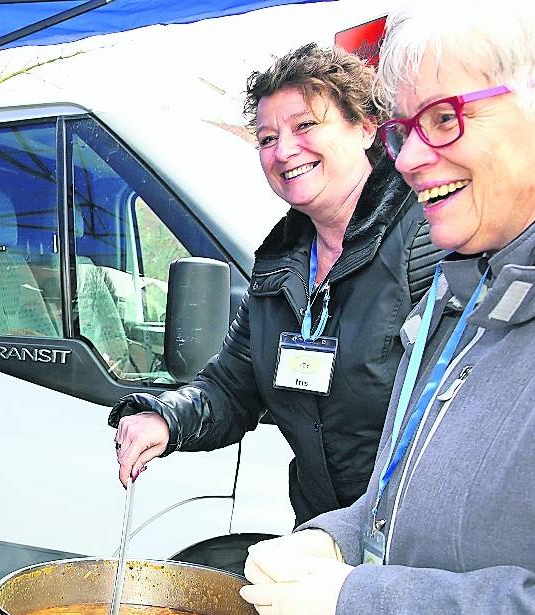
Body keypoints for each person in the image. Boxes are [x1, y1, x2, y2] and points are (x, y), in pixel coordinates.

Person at [239, 1, 535, 613]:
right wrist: (334, 536)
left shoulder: (428, 243)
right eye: (407, 129)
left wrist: (360, 598)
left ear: (360, 130)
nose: (410, 158)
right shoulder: (461, 290)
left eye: (446, 117)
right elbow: (405, 489)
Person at [110, 44, 439, 528]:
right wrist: (165, 417)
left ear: (366, 127)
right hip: (323, 533)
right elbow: (231, 387)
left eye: (305, 126)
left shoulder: (428, 236)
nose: (284, 151)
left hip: (415, 542)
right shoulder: (280, 263)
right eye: (267, 138)